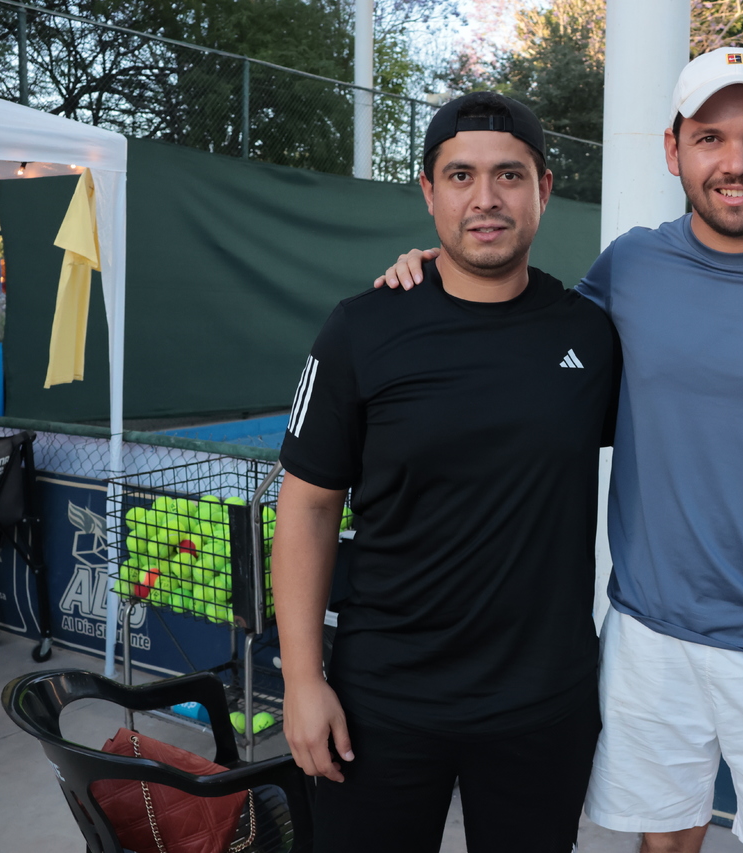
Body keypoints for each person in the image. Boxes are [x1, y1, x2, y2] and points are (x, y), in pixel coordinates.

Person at [377, 47, 743, 853]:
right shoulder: (632, 263)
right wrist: (439, 268)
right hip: (650, 636)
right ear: (674, 150)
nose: (735, 162)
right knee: (665, 838)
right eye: (709, 138)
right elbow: (530, 332)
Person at [272, 92, 619, 853]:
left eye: (509, 175)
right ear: (429, 192)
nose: (485, 198)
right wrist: (302, 679)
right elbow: (307, 507)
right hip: (381, 702)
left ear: (543, 189)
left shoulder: (591, 335)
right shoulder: (361, 328)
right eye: (461, 176)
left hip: (542, 707)